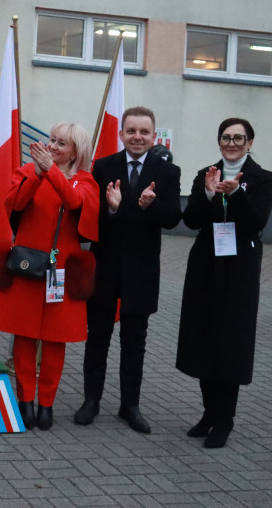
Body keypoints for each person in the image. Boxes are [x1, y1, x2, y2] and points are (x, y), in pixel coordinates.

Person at [0, 124, 98, 431]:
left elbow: (74, 202)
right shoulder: (28, 170)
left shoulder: (85, 180)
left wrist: (52, 173)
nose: (54, 146)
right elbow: (15, 204)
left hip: (61, 273)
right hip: (27, 268)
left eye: (62, 143)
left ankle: (46, 404)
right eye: (52, 140)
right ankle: (24, 401)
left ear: (75, 152)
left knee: (56, 340)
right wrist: (38, 173)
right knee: (25, 334)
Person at [75, 106, 182, 433]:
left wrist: (149, 207)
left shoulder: (168, 172)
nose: (137, 137)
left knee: (135, 342)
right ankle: (90, 400)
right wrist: (110, 210)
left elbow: (173, 219)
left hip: (142, 270)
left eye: (144, 132)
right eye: (131, 131)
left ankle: (129, 405)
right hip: (105, 267)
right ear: (121, 134)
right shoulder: (103, 167)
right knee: (98, 339)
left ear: (154, 136)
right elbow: (89, 222)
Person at [176, 117, 272, 449]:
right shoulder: (207, 173)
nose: (231, 143)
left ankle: (225, 420)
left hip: (240, 269)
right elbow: (190, 221)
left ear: (250, 142)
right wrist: (207, 192)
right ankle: (208, 414)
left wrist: (236, 196)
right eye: (225, 138)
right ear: (219, 142)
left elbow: (258, 221)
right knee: (204, 337)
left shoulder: (262, 179)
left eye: (238, 138)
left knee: (230, 342)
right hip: (206, 263)